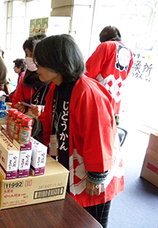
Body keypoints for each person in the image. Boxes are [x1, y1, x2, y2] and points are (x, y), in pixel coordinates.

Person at [31, 34, 124, 228]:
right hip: (70, 163)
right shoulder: (56, 87)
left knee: (91, 222)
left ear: (57, 62)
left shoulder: (87, 91)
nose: (35, 68)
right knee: (70, 219)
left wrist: (96, 175)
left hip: (94, 171)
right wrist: (31, 127)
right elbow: (50, 119)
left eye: (39, 63)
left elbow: (99, 137)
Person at [85, 26, 133, 124]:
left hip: (100, 94)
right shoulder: (128, 51)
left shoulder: (106, 46)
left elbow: (89, 72)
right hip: (116, 98)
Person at [11, 34, 50, 115]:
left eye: (32, 55)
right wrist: (20, 107)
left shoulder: (53, 80)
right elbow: (15, 101)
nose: (28, 59)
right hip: (27, 122)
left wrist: (42, 109)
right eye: (26, 55)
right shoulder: (24, 78)